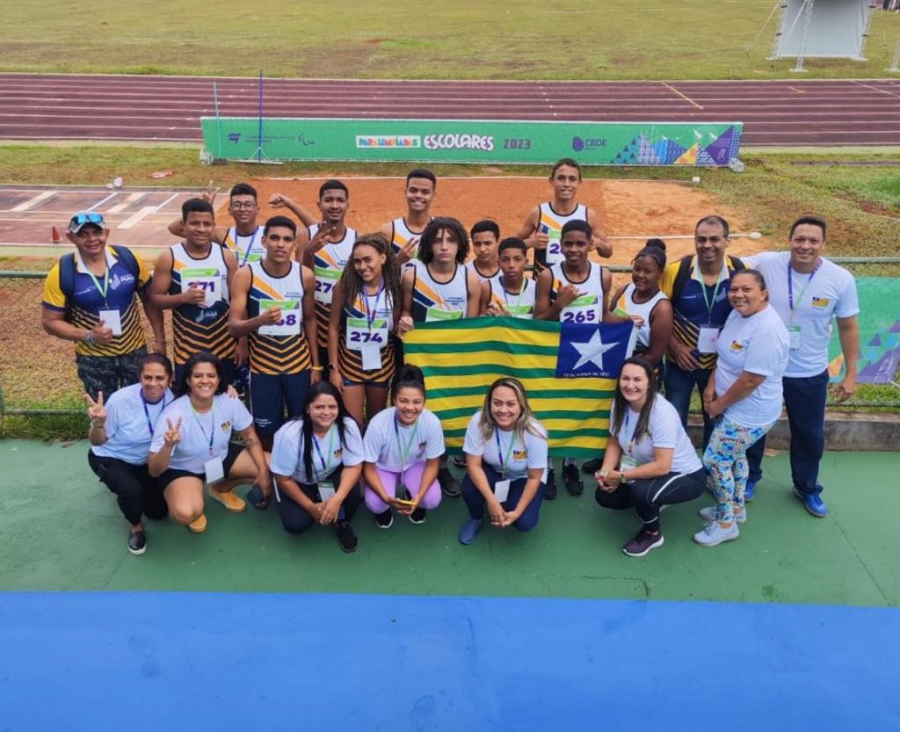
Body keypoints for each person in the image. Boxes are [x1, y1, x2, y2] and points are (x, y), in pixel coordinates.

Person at [743, 216, 860, 517]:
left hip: (809, 372)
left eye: (812, 241)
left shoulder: (840, 278)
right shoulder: (767, 263)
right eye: (799, 239)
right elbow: (727, 262)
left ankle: (806, 487)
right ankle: (749, 479)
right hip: (764, 370)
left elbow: (848, 327)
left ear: (823, 244)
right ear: (790, 239)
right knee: (754, 429)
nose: (805, 246)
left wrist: (850, 374)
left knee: (809, 435)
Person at [659, 216, 765, 493]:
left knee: (715, 420)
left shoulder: (740, 272)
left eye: (715, 239)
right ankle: (677, 469)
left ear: (727, 241)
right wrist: (675, 347)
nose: (708, 245)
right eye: (701, 239)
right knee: (674, 419)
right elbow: (658, 314)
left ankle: (711, 473)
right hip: (680, 363)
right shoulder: (676, 271)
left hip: (721, 367)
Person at [694, 270, 790, 547]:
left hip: (750, 412)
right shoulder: (738, 314)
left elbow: (751, 380)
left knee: (715, 460)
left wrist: (717, 406)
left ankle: (726, 523)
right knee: (735, 457)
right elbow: (724, 356)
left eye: (746, 289)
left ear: (764, 293)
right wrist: (711, 385)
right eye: (734, 289)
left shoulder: (768, 329)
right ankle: (736, 508)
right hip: (733, 405)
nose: (738, 295)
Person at [398, 217, 480, 497]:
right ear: (428, 244)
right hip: (422, 361)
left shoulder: (470, 277)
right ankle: (414, 464)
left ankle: (441, 463)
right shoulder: (413, 274)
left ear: (460, 245)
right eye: (437, 240)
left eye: (451, 240)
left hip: (454, 361)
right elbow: (404, 311)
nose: (444, 246)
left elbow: (472, 326)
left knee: (449, 412)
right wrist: (405, 319)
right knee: (419, 411)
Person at [42, 212, 165, 398]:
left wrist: (160, 339)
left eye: (97, 232)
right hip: (94, 359)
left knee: (140, 406)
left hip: (135, 353)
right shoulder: (61, 272)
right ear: (71, 237)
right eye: (83, 234)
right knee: (103, 414)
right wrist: (89, 335)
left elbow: (150, 301)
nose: (92, 239)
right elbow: (50, 322)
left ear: (106, 233)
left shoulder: (128, 259)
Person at [594, 357, 706, 557]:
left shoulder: (662, 413)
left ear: (650, 382)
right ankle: (655, 499)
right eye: (625, 378)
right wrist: (605, 472)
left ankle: (652, 532)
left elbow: (663, 466)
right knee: (604, 495)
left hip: (685, 475)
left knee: (641, 492)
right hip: (647, 468)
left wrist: (620, 477)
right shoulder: (619, 404)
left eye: (637, 380)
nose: (630, 385)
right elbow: (614, 440)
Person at [148, 352, 271, 532]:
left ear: (219, 379)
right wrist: (168, 445)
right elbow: (153, 469)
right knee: (186, 512)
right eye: (198, 376)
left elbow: (250, 436)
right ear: (188, 381)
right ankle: (190, 496)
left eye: (211, 375)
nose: (205, 381)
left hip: (219, 456)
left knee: (272, 467)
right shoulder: (173, 414)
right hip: (184, 468)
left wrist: (264, 473)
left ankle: (220, 488)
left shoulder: (228, 400)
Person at [227, 216, 320, 452]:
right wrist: (260, 321)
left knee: (303, 425)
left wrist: (316, 366)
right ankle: (270, 479)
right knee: (266, 430)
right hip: (263, 369)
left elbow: (309, 320)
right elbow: (233, 326)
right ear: (264, 240)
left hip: (298, 366)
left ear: (294, 245)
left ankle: (300, 471)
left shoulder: (305, 275)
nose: (281, 244)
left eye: (287, 240)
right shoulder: (246, 275)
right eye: (275, 238)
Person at [535, 219, 613, 498]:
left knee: (577, 410)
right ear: (560, 245)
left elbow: (604, 315)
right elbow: (538, 322)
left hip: (588, 356)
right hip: (553, 355)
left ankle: (570, 464)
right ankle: (546, 467)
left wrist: (628, 321)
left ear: (591, 244)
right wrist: (559, 305)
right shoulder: (548, 276)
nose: (573, 249)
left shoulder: (602, 275)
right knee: (548, 411)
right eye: (568, 243)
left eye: (580, 243)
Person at [86, 353, 175, 555]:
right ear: (139, 377)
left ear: (169, 379)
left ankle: (129, 487)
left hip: (145, 460)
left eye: (160, 378)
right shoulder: (120, 401)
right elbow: (97, 441)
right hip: (111, 456)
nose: (153, 384)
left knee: (158, 513)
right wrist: (98, 423)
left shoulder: (174, 399)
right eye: (147, 378)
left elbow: (203, 392)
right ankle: (135, 527)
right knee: (131, 492)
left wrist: (228, 390)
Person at [150, 198, 239, 388]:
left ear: (214, 225)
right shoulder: (170, 257)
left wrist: (243, 343)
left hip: (224, 348)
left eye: (207, 224)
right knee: (190, 403)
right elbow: (155, 299)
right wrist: (183, 298)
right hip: (187, 349)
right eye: (194, 223)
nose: (201, 229)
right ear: (183, 225)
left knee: (227, 402)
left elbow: (238, 303)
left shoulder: (226, 257)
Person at [270, 382, 364, 553]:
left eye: (332, 407)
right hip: (296, 480)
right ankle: (306, 500)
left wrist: (337, 499)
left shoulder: (348, 426)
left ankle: (343, 522)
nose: (326, 412)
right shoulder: (289, 435)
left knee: (354, 493)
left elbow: (353, 466)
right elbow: (283, 478)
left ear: (339, 407)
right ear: (307, 408)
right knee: (297, 524)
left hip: (328, 475)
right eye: (319, 407)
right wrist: (310, 507)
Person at [277, 180, 358, 373]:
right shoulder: (305, 236)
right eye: (328, 200)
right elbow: (300, 282)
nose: (334, 205)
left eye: (340, 200)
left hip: (344, 318)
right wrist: (308, 253)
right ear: (319, 205)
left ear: (348, 205)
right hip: (314, 317)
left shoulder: (357, 239)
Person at [458, 378, 547, 545]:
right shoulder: (479, 421)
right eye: (497, 403)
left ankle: (510, 506)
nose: (503, 410)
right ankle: (476, 518)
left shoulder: (535, 432)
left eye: (511, 404)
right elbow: (473, 465)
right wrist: (491, 502)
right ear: (489, 403)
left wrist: (517, 512)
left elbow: (534, 478)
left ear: (521, 405)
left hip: (523, 478)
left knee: (525, 522)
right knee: (469, 488)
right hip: (493, 471)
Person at [329, 233, 403, 428]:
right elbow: (333, 328)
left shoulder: (395, 288)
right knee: (353, 425)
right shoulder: (344, 287)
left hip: (382, 366)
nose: (362, 267)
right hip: (350, 366)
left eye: (368, 260)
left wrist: (403, 325)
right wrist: (334, 369)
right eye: (357, 262)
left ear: (383, 258)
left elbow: (395, 328)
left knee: (376, 423)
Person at [362, 365, 445, 528]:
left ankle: (414, 499)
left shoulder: (432, 423)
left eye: (417, 402)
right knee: (376, 503)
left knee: (431, 499)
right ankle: (384, 510)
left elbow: (433, 464)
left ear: (424, 401)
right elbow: (368, 468)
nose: (410, 408)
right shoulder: (378, 424)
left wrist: (420, 495)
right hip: (383, 468)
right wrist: (385, 497)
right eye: (403, 401)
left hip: (415, 465)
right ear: (393, 400)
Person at [515, 157, 610, 278]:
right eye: (561, 178)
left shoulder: (588, 215)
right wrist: (529, 242)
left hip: (576, 287)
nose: (566, 184)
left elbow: (608, 251)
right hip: (544, 289)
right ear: (551, 181)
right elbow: (510, 246)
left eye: (572, 179)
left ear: (579, 183)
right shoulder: (538, 213)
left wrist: (599, 243)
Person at [378, 168, 437, 266]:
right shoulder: (389, 231)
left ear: (433, 196)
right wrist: (397, 260)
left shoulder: (441, 230)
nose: (418, 195)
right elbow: (375, 271)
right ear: (405, 192)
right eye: (413, 190)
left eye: (425, 192)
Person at [481, 237, 537, 319]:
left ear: (526, 262)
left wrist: (508, 321)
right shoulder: (488, 288)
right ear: (498, 263)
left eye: (517, 259)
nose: (511, 265)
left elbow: (538, 325)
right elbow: (480, 324)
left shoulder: (536, 289)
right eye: (505, 260)